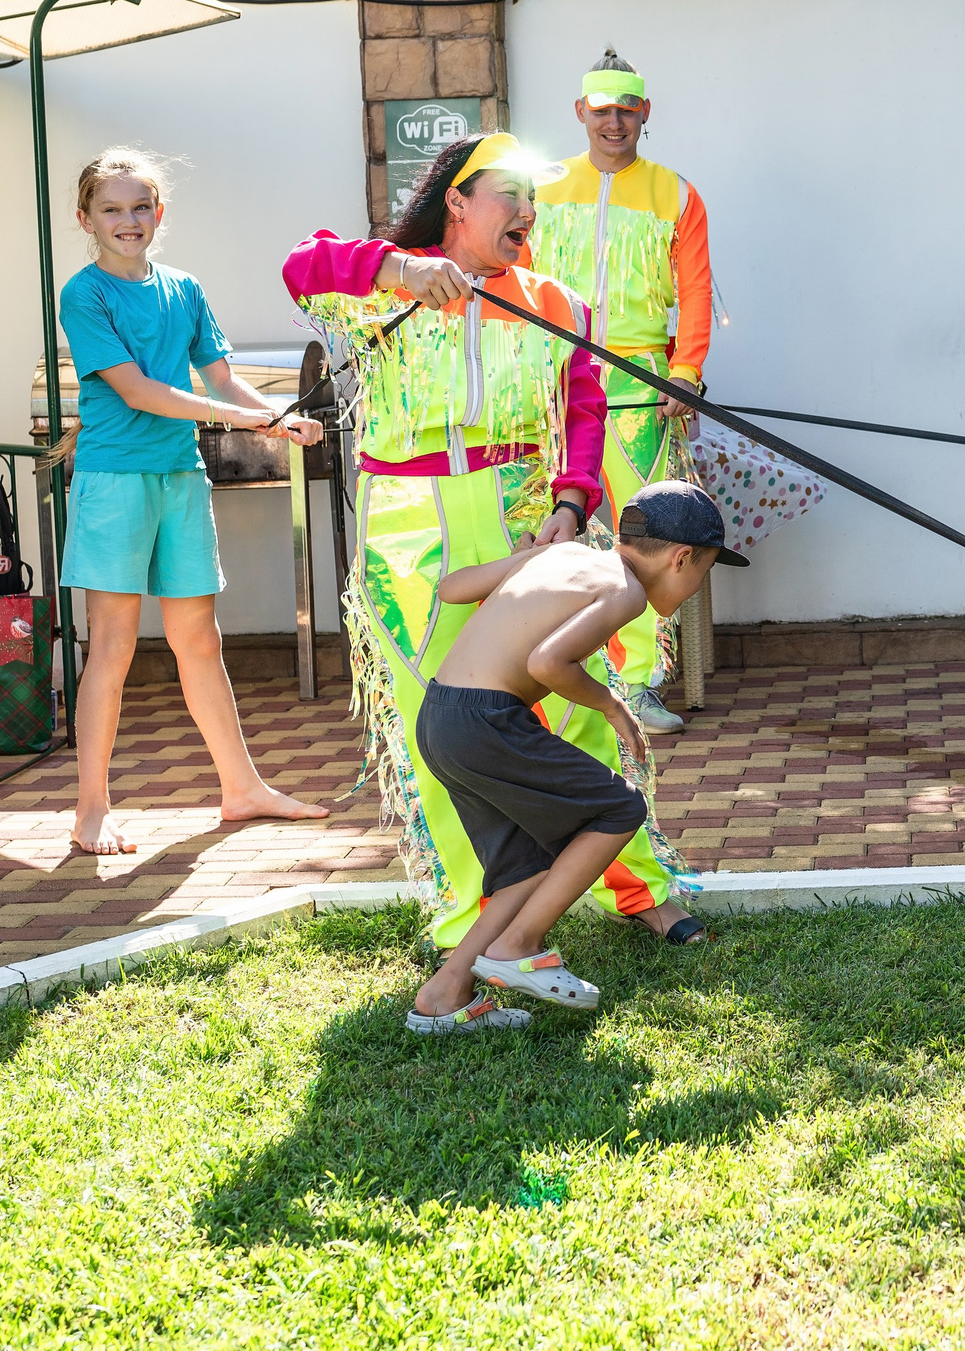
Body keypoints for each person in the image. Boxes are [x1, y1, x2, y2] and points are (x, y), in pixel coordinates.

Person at [283, 132, 702, 957]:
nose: (527, 211)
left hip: (524, 516)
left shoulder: (555, 303)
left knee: (574, 706)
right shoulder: (384, 285)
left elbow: (584, 408)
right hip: (408, 527)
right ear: (458, 200)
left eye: (532, 197)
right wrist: (398, 271)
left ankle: (641, 889)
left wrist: (573, 503)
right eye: (509, 193)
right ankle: (468, 921)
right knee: (434, 725)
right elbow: (302, 265)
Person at [57, 148, 330, 857]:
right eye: (111, 209)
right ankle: (91, 810)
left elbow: (224, 381)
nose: (128, 221)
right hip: (115, 482)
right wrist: (243, 419)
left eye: (139, 207)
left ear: (159, 212)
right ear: (85, 219)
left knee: (200, 641)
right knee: (112, 647)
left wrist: (278, 418)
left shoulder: (184, 289)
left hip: (180, 476)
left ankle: (242, 789)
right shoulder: (83, 295)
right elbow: (140, 392)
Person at [406, 482, 739, 1031]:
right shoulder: (625, 591)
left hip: (441, 717)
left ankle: (443, 996)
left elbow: (452, 588)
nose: (698, 587)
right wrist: (613, 705)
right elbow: (546, 663)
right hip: (487, 721)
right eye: (704, 572)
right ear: (681, 559)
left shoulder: (562, 557)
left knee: (524, 870)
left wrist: (523, 561)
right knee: (620, 808)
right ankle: (519, 945)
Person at [528, 49, 716, 736]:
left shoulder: (677, 194)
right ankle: (543, 675)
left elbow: (695, 291)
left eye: (626, 111)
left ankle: (637, 682)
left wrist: (684, 372)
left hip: (640, 380)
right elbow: (513, 278)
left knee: (645, 530)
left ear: (645, 113)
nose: (614, 123)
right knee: (549, 521)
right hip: (553, 377)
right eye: (602, 110)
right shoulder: (541, 188)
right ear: (581, 112)